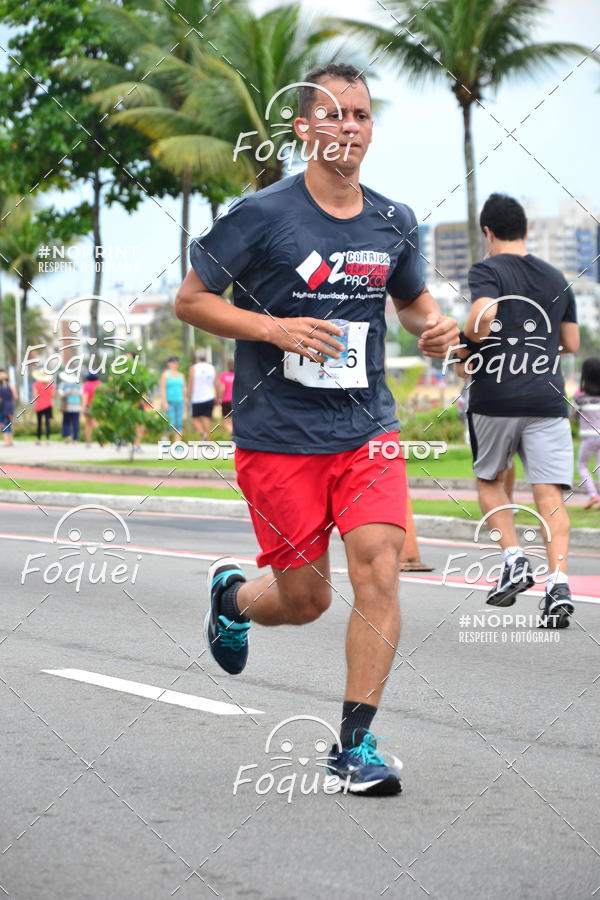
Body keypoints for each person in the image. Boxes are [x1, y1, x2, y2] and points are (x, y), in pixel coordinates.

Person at [176, 63, 458, 796]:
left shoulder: (393, 221)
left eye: (361, 116)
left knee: (379, 566)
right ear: (304, 128)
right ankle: (233, 598)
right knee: (307, 601)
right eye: (334, 115)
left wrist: (436, 332)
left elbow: (417, 307)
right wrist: (274, 327)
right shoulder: (262, 215)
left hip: (367, 427)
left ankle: (353, 748)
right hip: (277, 436)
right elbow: (192, 300)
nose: (349, 128)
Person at [458, 193, 579, 628]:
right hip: (547, 399)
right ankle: (559, 581)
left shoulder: (487, 269)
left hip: (496, 398)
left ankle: (513, 559)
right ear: (525, 229)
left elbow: (484, 314)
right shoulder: (557, 277)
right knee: (549, 494)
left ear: (487, 232)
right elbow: (572, 342)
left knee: (490, 481)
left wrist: (468, 343)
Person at [573, 358, 600, 509]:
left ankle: (593, 495)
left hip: (589, 437)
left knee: (582, 465)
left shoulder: (580, 397)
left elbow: (573, 414)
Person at [188, 351, 217, 438]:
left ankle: (203, 434)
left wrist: (188, 395)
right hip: (210, 396)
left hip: (197, 397)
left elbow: (190, 383)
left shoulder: (193, 368)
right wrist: (218, 397)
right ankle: (207, 440)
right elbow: (216, 383)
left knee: (194, 418)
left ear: (197, 359)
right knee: (207, 418)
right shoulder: (212, 368)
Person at [160, 356, 186, 439]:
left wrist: (185, 400)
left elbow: (184, 388)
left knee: (179, 423)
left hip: (179, 401)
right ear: (169, 363)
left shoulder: (181, 375)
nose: (175, 364)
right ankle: (165, 438)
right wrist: (164, 402)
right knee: (170, 422)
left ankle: (177, 443)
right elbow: (163, 388)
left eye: (176, 362)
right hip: (169, 401)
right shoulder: (165, 374)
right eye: (173, 362)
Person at [32, 369, 54, 444]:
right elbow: (52, 395)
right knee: (47, 422)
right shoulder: (50, 384)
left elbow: (35, 395)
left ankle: (38, 439)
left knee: (39, 423)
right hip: (48, 405)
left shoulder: (36, 384)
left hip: (39, 405)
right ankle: (48, 439)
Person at [59, 373, 82, 442]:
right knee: (76, 423)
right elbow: (81, 395)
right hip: (77, 407)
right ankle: (75, 438)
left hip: (67, 407)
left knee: (66, 422)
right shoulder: (79, 385)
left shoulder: (63, 385)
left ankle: (68, 436)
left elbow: (61, 395)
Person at [82, 371, 102, 446]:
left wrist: (83, 407)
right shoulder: (100, 384)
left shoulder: (86, 385)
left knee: (88, 424)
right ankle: (101, 440)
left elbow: (85, 396)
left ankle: (88, 442)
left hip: (88, 406)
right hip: (97, 406)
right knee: (96, 424)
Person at [0, 369, 17, 447]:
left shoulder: (10, 385)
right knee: (5, 423)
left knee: (6, 423)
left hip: (7, 406)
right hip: (2, 406)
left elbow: (15, 396)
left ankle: (8, 441)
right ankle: (9, 441)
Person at [217, 359, 235, 434]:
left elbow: (222, 388)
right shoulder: (236, 375)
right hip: (236, 401)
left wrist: (219, 398)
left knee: (226, 423)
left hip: (226, 401)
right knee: (232, 422)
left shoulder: (224, 375)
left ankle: (234, 435)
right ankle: (234, 439)